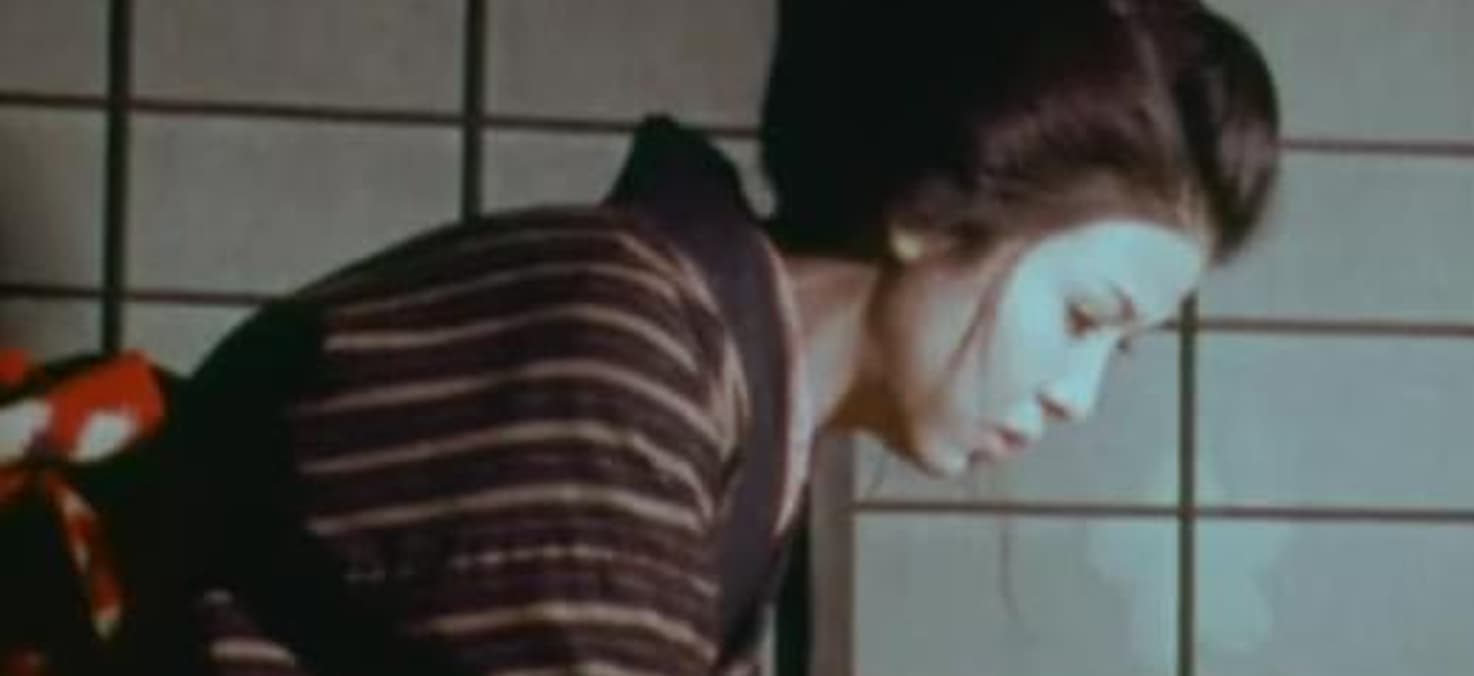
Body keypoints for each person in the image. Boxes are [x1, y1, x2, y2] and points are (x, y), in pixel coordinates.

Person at [149, 1, 1282, 674]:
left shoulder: (719, 400)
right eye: (1083, 318)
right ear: (931, 208)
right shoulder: (616, 347)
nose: (1079, 394)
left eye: (1115, 350)